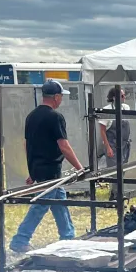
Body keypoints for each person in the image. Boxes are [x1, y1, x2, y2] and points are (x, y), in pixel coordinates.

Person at [9, 81, 84, 253]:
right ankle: (20, 240)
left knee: (59, 202)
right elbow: (63, 145)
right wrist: (80, 168)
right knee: (41, 205)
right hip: (50, 169)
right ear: (56, 97)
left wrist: (32, 170)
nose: (61, 100)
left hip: (40, 168)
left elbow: (27, 145)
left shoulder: (31, 116)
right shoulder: (55, 117)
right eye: (61, 97)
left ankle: (68, 236)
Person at [98, 86, 131, 169]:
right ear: (114, 98)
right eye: (122, 96)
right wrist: (108, 147)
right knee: (114, 171)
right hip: (113, 146)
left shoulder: (126, 108)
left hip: (124, 146)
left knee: (124, 169)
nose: (124, 97)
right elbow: (102, 131)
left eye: (124, 95)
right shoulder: (107, 110)